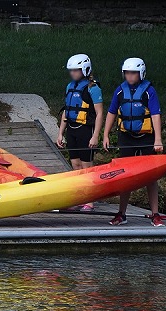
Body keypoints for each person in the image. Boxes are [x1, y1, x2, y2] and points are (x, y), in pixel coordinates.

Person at [103, 57, 164, 227]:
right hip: (126, 137)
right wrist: (105, 135)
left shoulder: (149, 91)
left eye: (134, 73)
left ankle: (155, 214)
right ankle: (121, 214)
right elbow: (111, 112)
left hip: (146, 137)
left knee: (151, 177)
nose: (130, 76)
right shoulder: (120, 91)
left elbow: (155, 115)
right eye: (127, 73)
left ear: (141, 74)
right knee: (125, 175)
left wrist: (158, 139)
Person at [56, 54, 104, 211]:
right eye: (71, 70)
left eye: (76, 70)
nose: (72, 73)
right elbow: (66, 110)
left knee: (86, 165)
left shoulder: (93, 88)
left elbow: (99, 113)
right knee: (75, 164)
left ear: (84, 69)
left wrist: (95, 136)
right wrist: (60, 133)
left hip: (85, 130)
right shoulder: (70, 86)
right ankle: (79, 197)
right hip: (72, 129)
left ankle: (89, 200)